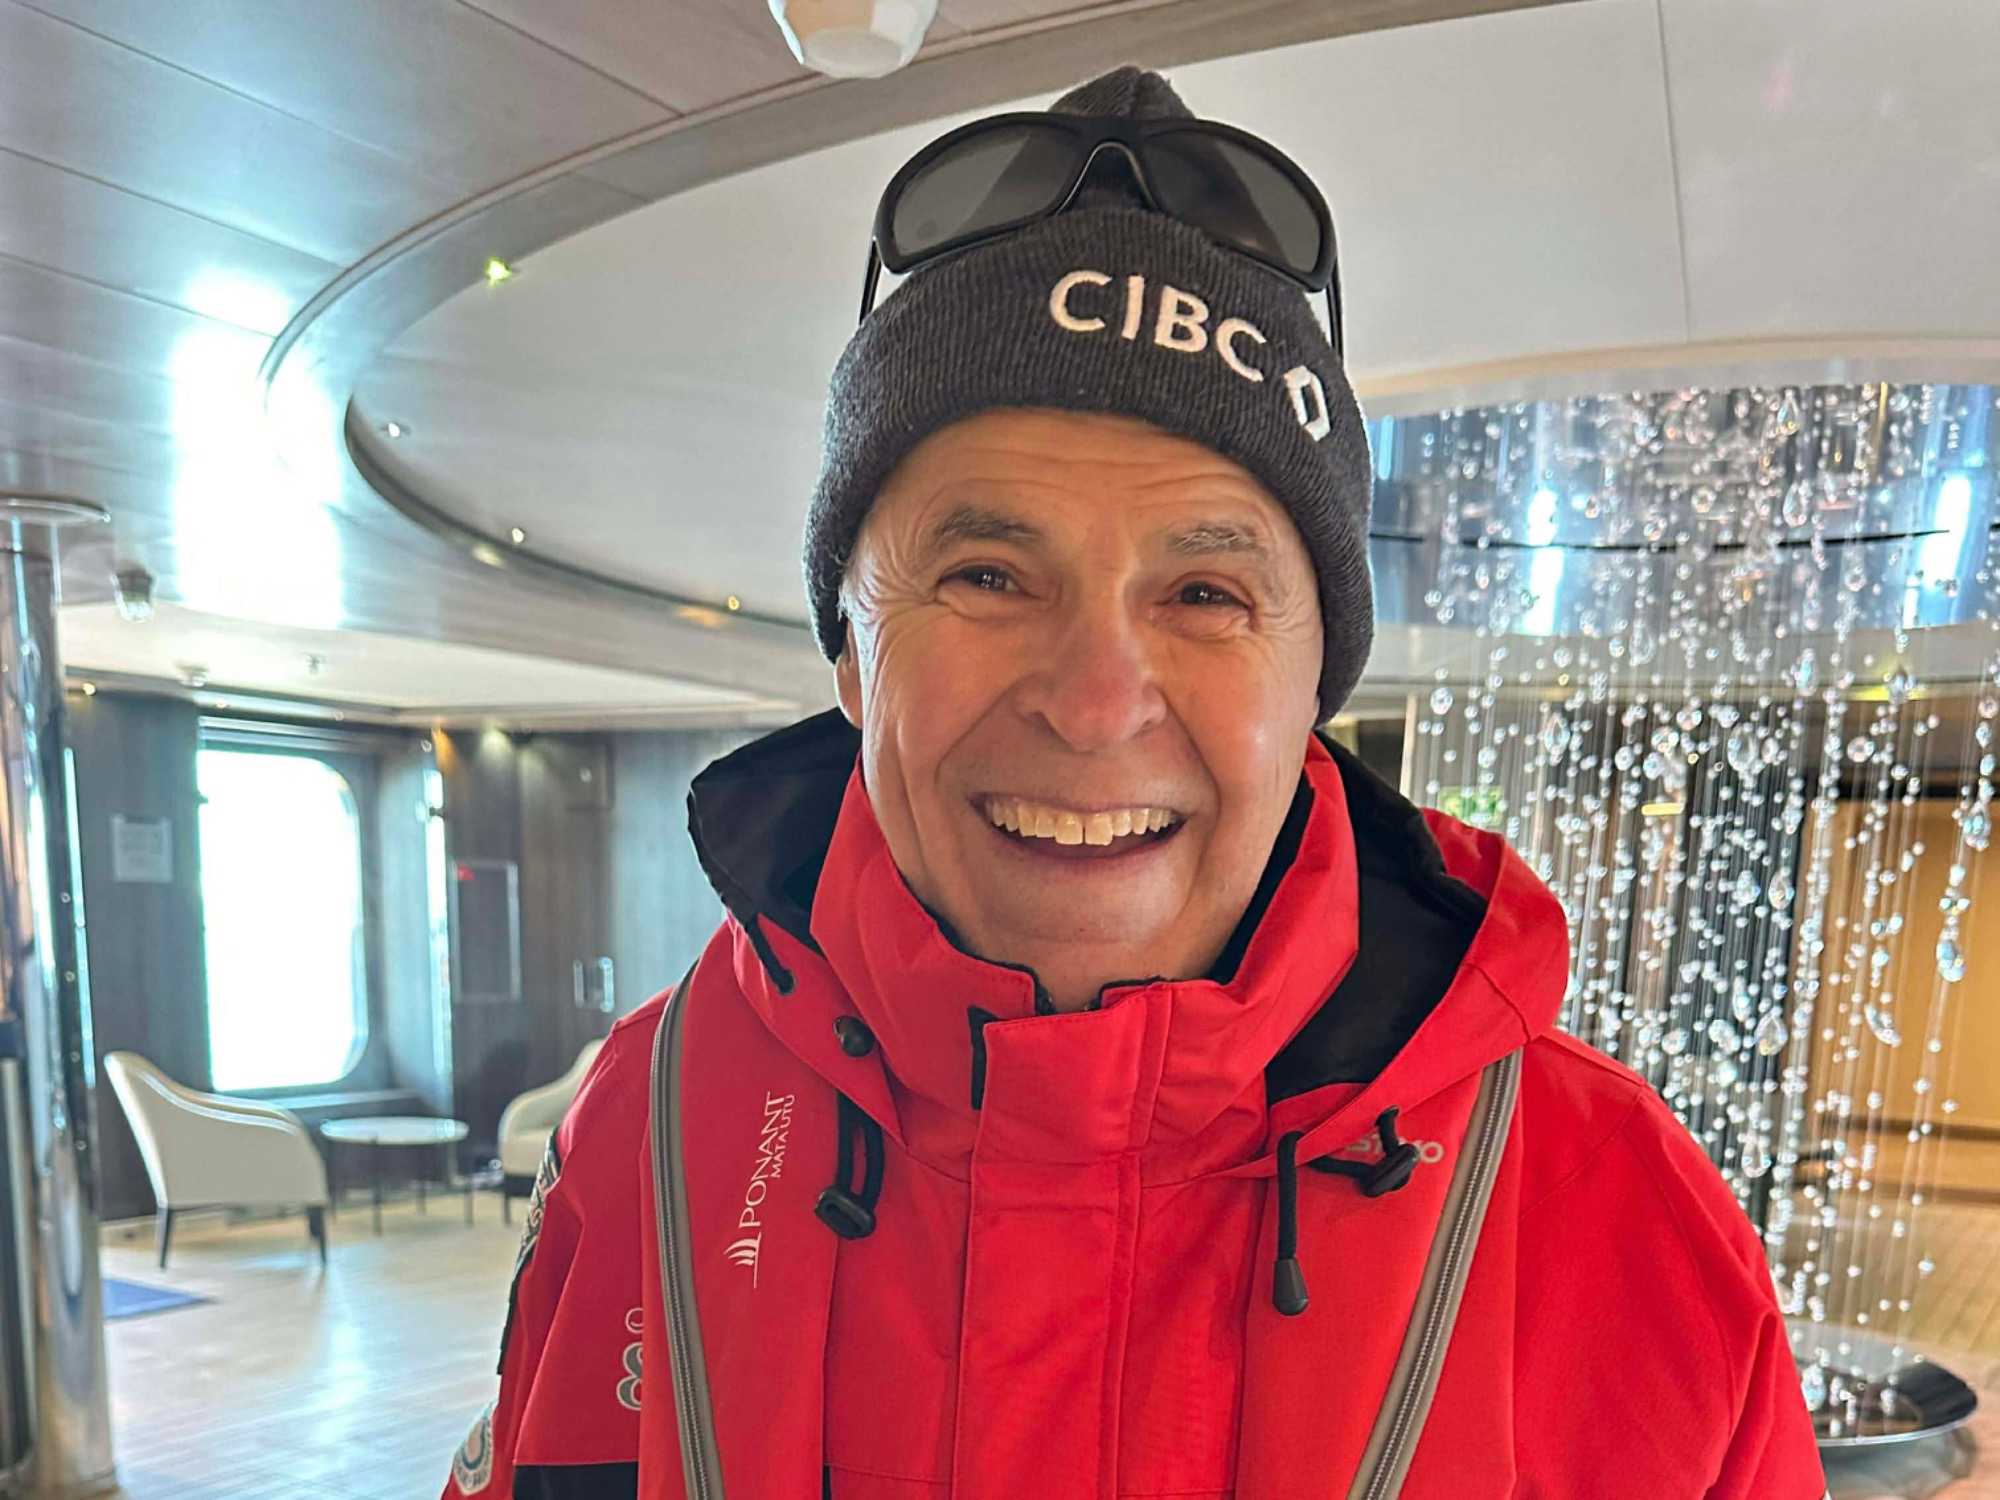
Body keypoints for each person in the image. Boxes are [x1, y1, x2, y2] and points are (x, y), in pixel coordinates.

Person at [443, 66, 1823, 1500]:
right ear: (850, 651)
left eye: (1206, 594)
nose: (1097, 707)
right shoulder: (648, 1128)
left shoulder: (1622, 1218)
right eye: (987, 575)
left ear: (1315, 686)